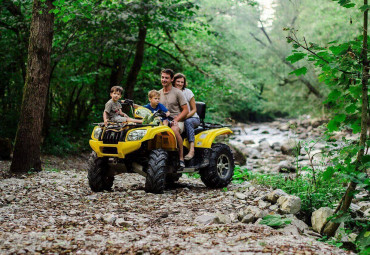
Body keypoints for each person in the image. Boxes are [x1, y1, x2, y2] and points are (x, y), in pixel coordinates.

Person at [159, 69, 188, 168]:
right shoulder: (158, 93)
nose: (164, 80)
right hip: (162, 120)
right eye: (162, 77)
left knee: (173, 130)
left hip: (177, 120)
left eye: (166, 78)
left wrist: (176, 120)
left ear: (171, 79)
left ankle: (181, 158)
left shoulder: (177, 93)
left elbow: (186, 110)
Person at [173, 73, 200, 160]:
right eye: (178, 81)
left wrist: (185, 117)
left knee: (188, 122)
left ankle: (191, 150)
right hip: (178, 118)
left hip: (192, 118)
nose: (180, 84)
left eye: (182, 82)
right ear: (173, 81)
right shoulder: (170, 92)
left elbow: (194, 109)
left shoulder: (188, 92)